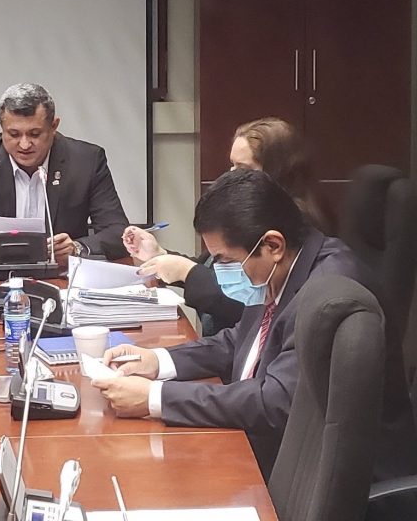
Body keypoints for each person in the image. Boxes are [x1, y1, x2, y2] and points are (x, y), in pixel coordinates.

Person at [93, 170, 417, 497]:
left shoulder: (329, 293)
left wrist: (154, 397)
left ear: (272, 244)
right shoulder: (284, 267)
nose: (220, 271)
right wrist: (158, 361)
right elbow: (240, 341)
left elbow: (275, 401)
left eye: (225, 260)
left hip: (333, 481)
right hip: (277, 447)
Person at [124, 117, 331, 335]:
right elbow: (218, 268)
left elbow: (250, 303)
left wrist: (186, 272)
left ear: (277, 171)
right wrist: (160, 255)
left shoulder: (292, 225)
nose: (231, 176)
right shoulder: (249, 212)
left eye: (243, 168)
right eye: (232, 165)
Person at [0, 83, 129, 267]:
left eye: (34, 134)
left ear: (54, 126)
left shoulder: (86, 161)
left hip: (61, 280)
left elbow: (118, 233)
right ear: (1, 127)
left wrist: (76, 248)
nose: (24, 145)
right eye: (14, 134)